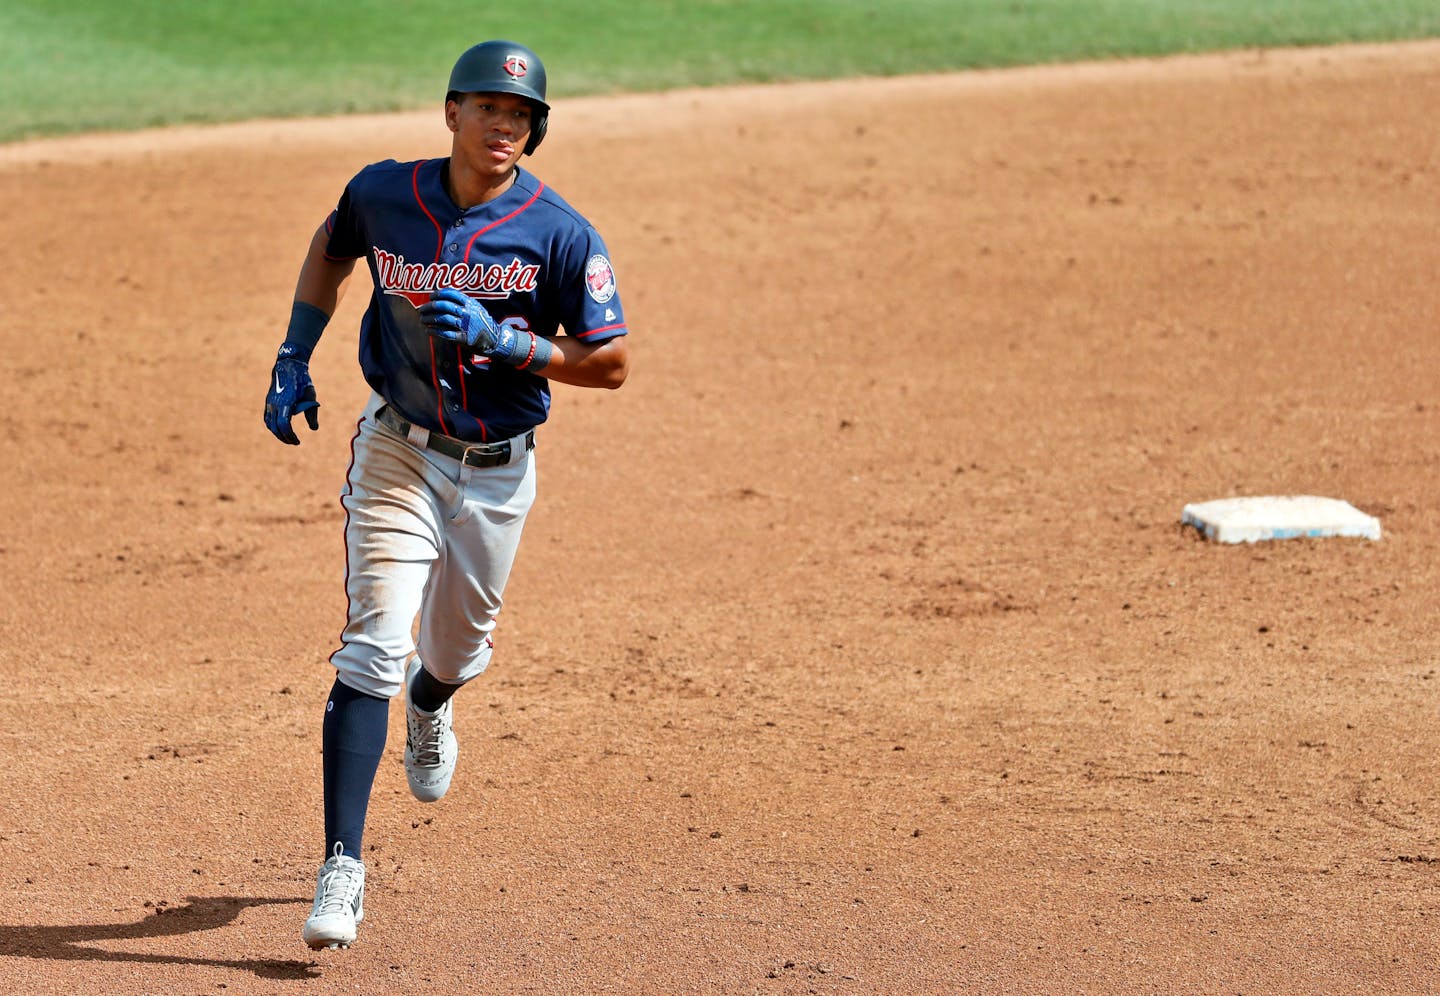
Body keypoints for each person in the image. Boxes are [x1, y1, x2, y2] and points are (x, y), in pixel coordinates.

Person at [262, 39, 630, 950]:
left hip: (500, 470)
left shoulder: (559, 232)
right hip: (398, 451)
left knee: (456, 649)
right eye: (490, 108)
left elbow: (612, 363)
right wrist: (292, 354)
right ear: (451, 112)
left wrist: (514, 346)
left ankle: (435, 701)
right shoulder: (385, 193)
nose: (505, 126)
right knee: (372, 648)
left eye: (522, 116)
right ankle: (342, 864)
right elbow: (331, 247)